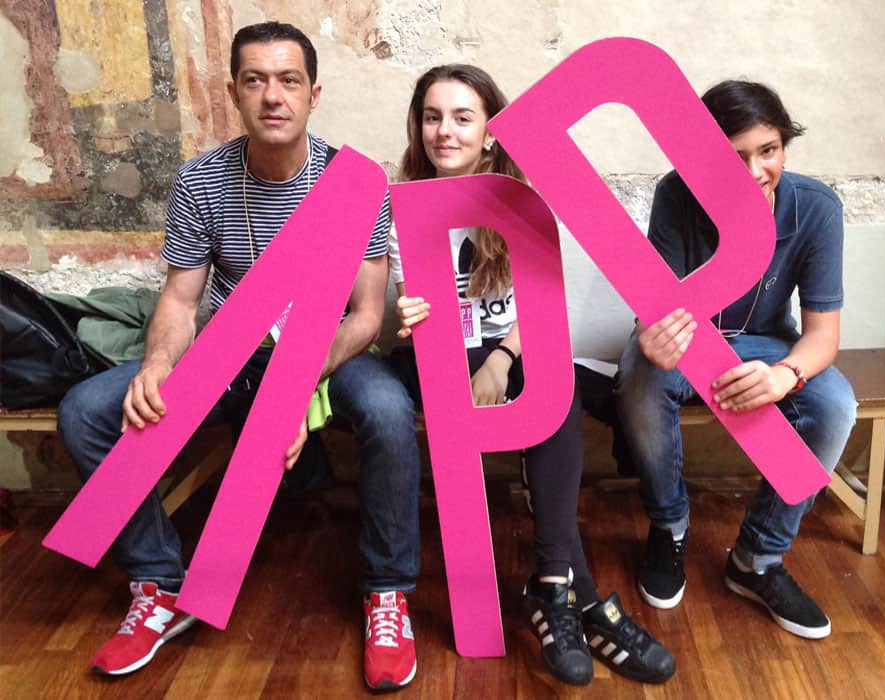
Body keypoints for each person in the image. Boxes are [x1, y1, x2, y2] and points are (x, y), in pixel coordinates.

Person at [57, 22, 422, 690]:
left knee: (390, 411)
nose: (272, 96)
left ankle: (387, 592)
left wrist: (295, 385)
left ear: (314, 94)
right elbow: (179, 299)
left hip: (327, 354)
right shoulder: (201, 180)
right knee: (86, 410)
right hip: (231, 354)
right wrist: (158, 364)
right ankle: (158, 584)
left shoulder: (353, 181)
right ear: (233, 92)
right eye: (255, 80)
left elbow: (367, 316)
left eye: (288, 81)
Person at [389, 64, 675, 687]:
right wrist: (410, 315)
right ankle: (582, 601)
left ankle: (554, 583)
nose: (445, 131)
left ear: (490, 131)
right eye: (432, 117)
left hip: (509, 354)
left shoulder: (521, 205)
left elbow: (542, 313)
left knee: (557, 385)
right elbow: (414, 309)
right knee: (549, 383)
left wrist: (501, 359)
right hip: (439, 358)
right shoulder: (399, 210)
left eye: (462, 117)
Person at [614, 80, 857, 639]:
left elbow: (823, 336)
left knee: (836, 404)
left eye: (767, 150)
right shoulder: (677, 194)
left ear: (784, 146)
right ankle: (669, 526)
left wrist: (785, 374)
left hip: (767, 343)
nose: (752, 171)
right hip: (685, 335)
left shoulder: (815, 208)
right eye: (732, 157)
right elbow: (657, 306)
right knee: (639, 377)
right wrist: (648, 333)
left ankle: (757, 559)